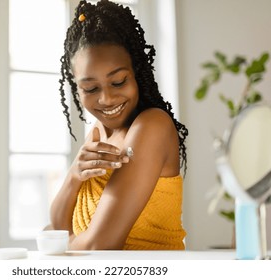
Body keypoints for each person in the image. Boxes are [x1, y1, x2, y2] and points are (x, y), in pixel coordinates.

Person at [50, 0, 188, 250]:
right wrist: (73, 175)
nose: (107, 99)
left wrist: (61, 245)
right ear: (76, 88)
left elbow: (97, 246)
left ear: (136, 71)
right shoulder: (97, 133)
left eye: (118, 81)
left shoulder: (151, 126)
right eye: (91, 88)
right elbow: (58, 227)